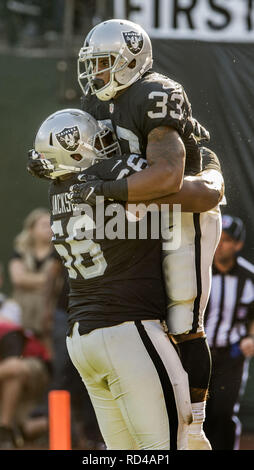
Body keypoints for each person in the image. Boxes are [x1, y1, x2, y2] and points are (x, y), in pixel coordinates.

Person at [27, 108, 222, 450]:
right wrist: (209, 162)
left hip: (82, 339)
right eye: (99, 141)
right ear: (78, 151)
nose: (108, 145)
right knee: (170, 447)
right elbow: (203, 194)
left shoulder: (57, 189)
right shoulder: (112, 172)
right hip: (127, 332)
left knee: (125, 453)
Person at [75, 18, 224, 449]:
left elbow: (169, 176)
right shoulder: (98, 100)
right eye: (92, 64)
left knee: (182, 317)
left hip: (182, 214)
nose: (95, 74)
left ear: (130, 59)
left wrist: (107, 192)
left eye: (104, 63)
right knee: (152, 318)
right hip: (143, 210)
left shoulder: (155, 91)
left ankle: (194, 423)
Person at [203, 214, 254, 450]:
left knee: (224, 413)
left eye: (226, 240)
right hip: (199, 352)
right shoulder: (199, 271)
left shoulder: (249, 277)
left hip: (232, 354)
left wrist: (251, 339)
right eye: (217, 238)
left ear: (238, 245)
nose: (220, 244)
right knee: (196, 412)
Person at [0, 262, 51, 449]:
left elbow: (13, 360)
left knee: (14, 370)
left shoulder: (9, 307)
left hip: (22, 364)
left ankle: (5, 429)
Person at [8, 208, 60, 349]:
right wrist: (46, 280)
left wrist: (29, 280)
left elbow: (57, 283)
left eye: (51, 224)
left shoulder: (59, 253)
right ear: (31, 229)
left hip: (49, 316)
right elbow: (18, 279)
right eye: (44, 225)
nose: (49, 228)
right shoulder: (20, 252)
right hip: (22, 315)